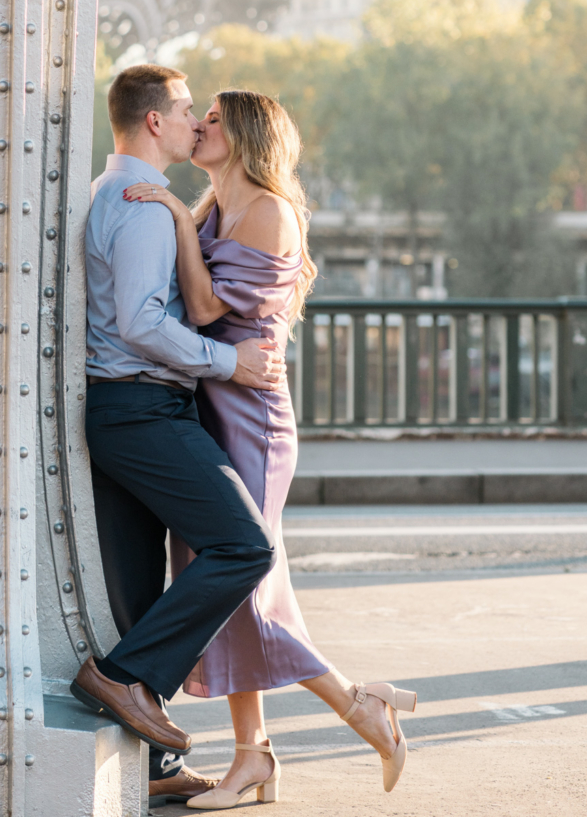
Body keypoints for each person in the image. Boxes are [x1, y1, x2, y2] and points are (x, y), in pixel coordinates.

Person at [124, 89, 417, 806]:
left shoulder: (265, 209)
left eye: (215, 118)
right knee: (225, 583)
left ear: (248, 133)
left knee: (239, 586)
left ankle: (357, 703)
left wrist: (164, 211)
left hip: (250, 417)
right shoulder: (216, 208)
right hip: (215, 405)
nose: (200, 125)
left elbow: (200, 308)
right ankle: (252, 756)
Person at [74, 63, 286, 807]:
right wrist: (231, 361)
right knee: (245, 545)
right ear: (156, 122)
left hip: (129, 409)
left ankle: (151, 766)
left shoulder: (138, 199)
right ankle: (125, 678)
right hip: (142, 409)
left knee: (138, 587)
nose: (198, 122)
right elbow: (141, 323)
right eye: (190, 110)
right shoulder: (137, 208)